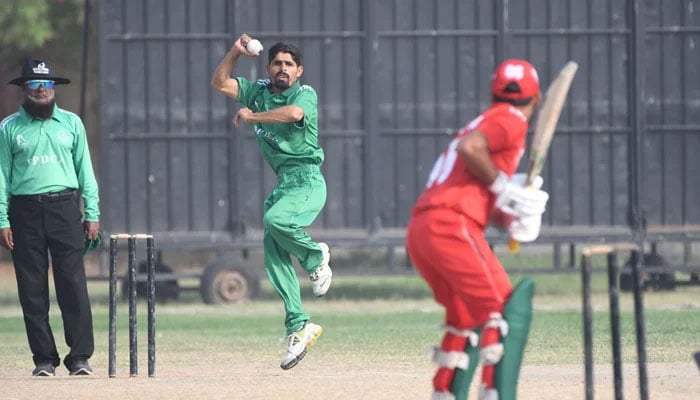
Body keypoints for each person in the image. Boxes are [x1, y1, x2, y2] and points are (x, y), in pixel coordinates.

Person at [406, 59, 550, 400]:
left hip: (422, 229)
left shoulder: (486, 119)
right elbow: (471, 150)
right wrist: (504, 188)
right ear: (537, 98)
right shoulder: (511, 119)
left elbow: (474, 180)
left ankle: (445, 392)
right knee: (501, 310)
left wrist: (512, 216)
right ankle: (495, 393)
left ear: (493, 91)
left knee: (466, 315)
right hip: (451, 224)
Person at [211, 34, 332, 370]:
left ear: (298, 71)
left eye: (289, 65)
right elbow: (219, 82)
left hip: (307, 179)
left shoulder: (304, 93)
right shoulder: (260, 91)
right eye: (277, 63)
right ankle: (299, 326)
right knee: (274, 254)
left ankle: (314, 255)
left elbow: (294, 114)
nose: (282, 68)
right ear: (268, 66)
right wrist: (235, 52)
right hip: (283, 185)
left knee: (277, 221)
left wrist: (252, 117)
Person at [0, 59, 101, 376]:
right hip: (24, 210)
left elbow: (86, 171)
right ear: (24, 90)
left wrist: (92, 213)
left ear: (53, 89)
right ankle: (44, 359)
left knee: (72, 283)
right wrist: (3, 219)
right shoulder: (9, 128)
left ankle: (80, 357)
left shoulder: (71, 123)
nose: (41, 90)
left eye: (45, 85)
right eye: (34, 85)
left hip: (65, 207)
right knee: (31, 288)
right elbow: (1, 176)